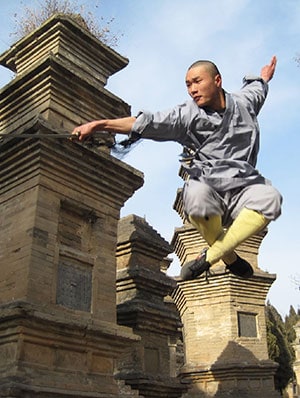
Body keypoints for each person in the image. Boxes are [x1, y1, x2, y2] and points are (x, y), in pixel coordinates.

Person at [71, 56, 282, 281]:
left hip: (242, 188)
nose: (192, 90)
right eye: (188, 85)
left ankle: (211, 256)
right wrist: (98, 125)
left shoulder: (244, 103)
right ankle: (228, 257)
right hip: (209, 189)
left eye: (197, 82)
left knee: (270, 198)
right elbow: (144, 123)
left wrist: (264, 77)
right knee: (195, 195)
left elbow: (257, 87)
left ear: (217, 80)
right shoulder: (186, 115)